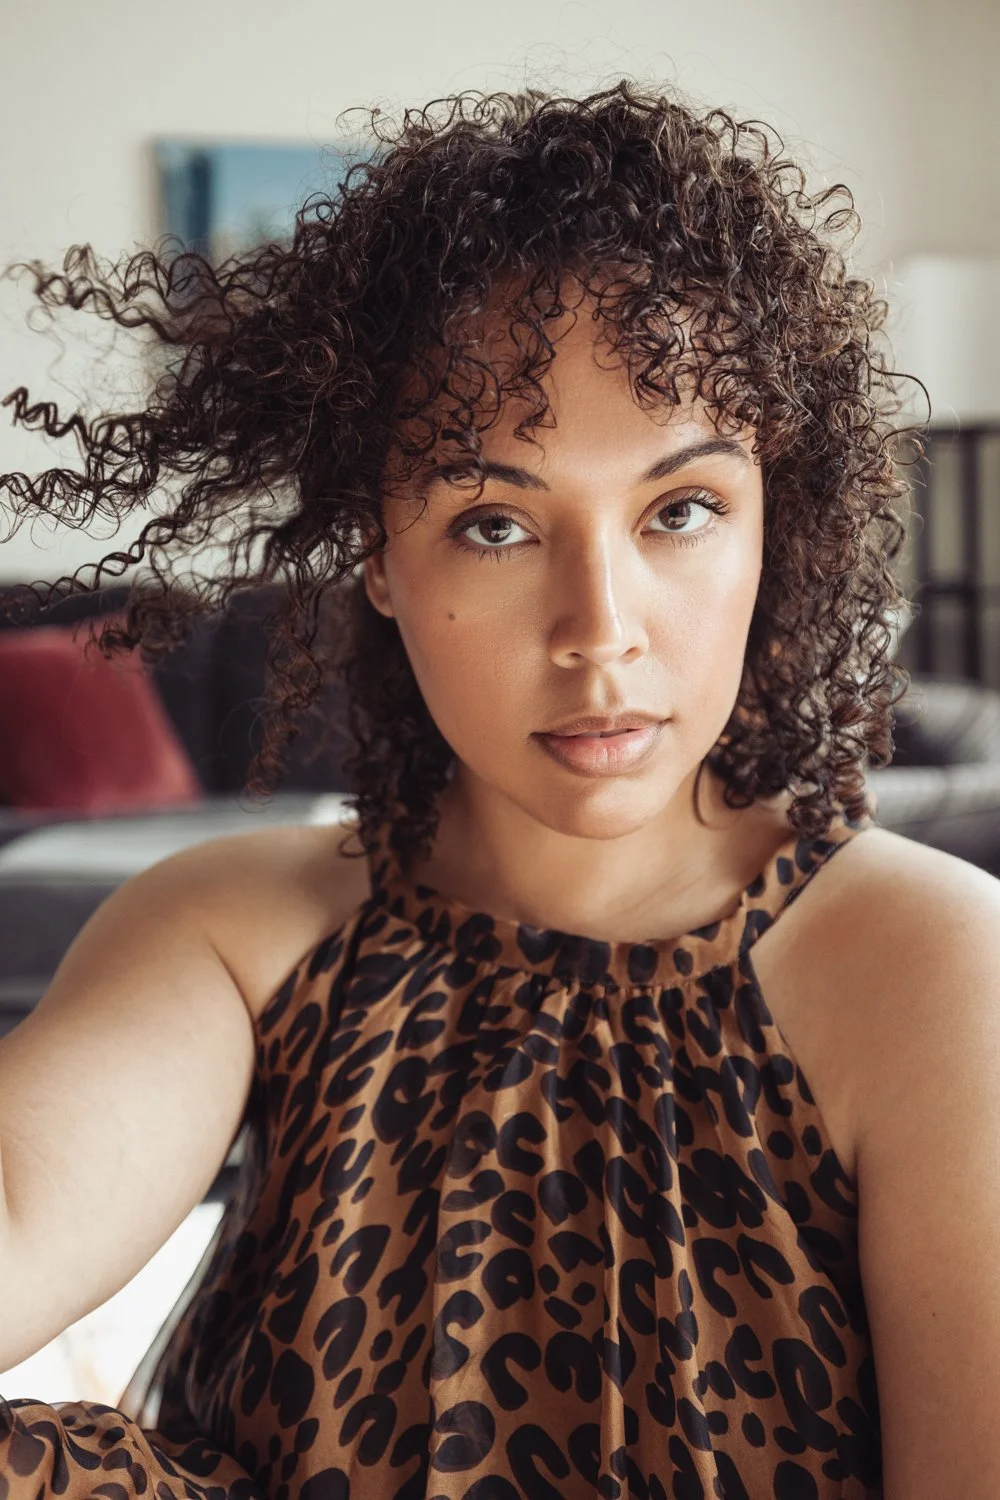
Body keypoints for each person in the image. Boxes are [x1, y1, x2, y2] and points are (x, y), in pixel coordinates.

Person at [1, 78, 999, 1500]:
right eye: (494, 522)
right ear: (378, 556)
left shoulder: (933, 968)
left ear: (781, 519)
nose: (600, 625)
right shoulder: (232, 934)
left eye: (682, 510)